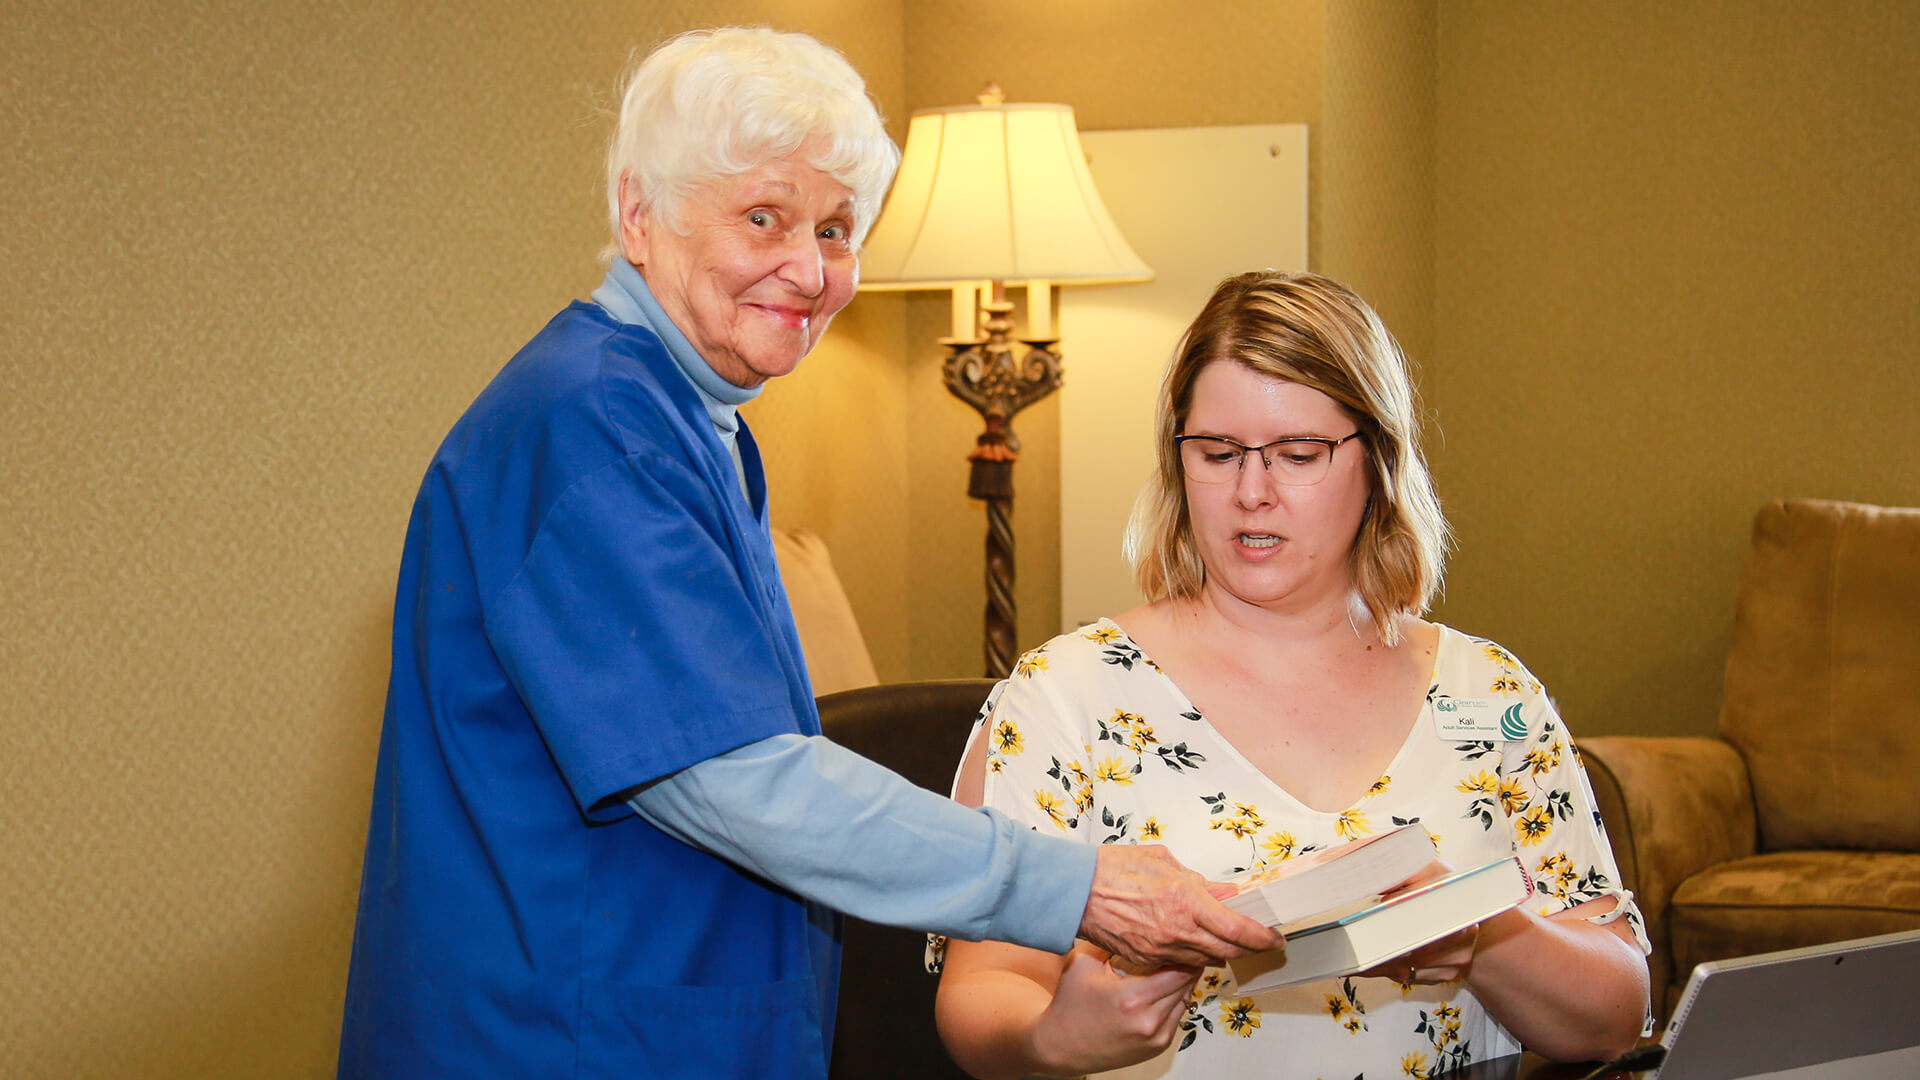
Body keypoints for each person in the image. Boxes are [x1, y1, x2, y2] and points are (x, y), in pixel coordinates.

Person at [334, 27, 1276, 1080]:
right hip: (565, 1041)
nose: (810, 269)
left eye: (836, 229)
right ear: (638, 217)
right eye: (763, 218)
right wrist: (1079, 886)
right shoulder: (592, 427)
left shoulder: (688, 414)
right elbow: (732, 778)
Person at [932, 271, 1652, 1079]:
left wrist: (1480, 931)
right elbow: (983, 990)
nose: (1251, 493)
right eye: (1217, 453)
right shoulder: (1068, 697)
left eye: (1298, 455)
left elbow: (1617, 1016)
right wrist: (1051, 1037)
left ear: (1377, 458)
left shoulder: (1490, 696)